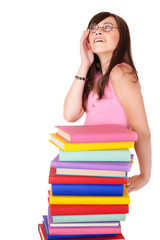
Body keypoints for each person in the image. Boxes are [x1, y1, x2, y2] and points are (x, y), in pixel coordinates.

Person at [63, 12, 151, 193]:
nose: (98, 32)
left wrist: (145, 175)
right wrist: (84, 64)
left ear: (122, 38)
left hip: (105, 167)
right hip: (82, 162)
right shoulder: (95, 76)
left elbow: (141, 130)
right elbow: (70, 115)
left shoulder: (121, 74)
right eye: (94, 28)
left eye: (108, 27)